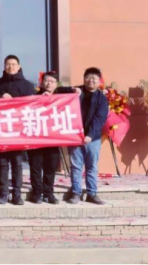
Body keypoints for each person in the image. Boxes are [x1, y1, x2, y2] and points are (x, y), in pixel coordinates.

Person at [0, 55, 36, 206]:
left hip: (18, 130)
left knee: (17, 163)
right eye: (8, 64)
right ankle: (3, 193)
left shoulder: (27, 85)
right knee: (2, 163)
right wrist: (0, 96)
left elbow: (32, 105)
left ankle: (17, 194)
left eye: (13, 64)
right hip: (1, 129)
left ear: (19, 66)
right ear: (4, 66)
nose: (10, 67)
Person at [31, 71, 78, 205]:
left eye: (52, 81)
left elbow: (72, 91)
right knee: (36, 167)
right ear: (41, 83)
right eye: (46, 81)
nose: (48, 84)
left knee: (50, 168)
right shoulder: (34, 97)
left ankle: (48, 193)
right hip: (36, 138)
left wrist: (75, 90)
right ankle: (36, 193)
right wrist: (40, 100)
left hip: (52, 140)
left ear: (56, 84)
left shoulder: (60, 98)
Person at [65, 67, 108, 205]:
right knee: (76, 166)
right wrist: (71, 90)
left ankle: (92, 193)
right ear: (84, 79)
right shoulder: (76, 92)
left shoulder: (102, 98)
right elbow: (58, 91)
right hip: (75, 137)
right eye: (88, 78)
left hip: (93, 138)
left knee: (92, 166)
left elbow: (100, 118)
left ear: (99, 81)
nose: (91, 81)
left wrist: (90, 135)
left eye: (94, 78)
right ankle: (76, 193)